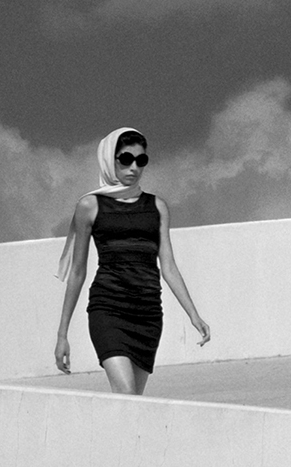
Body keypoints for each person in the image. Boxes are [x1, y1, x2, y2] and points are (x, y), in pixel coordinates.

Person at [53, 128, 209, 393]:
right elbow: (78, 272)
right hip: (108, 308)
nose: (134, 167)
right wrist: (62, 335)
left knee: (134, 403)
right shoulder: (90, 206)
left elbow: (168, 266)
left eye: (141, 160)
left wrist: (194, 315)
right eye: (126, 159)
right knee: (125, 393)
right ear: (109, 160)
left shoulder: (157, 206)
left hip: (147, 313)